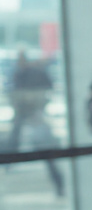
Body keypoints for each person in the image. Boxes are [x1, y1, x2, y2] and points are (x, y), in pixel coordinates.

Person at [4, 50, 65, 196]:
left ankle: (59, 185)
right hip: (27, 115)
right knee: (14, 143)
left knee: (44, 148)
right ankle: (7, 163)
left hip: (35, 116)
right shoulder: (22, 73)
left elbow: (44, 91)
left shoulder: (29, 73)